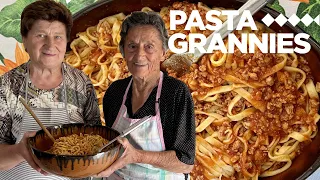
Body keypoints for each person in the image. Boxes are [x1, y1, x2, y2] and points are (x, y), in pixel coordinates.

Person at [0, 0, 101, 179]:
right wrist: (18, 151)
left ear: (66, 41)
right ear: (25, 39)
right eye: (40, 35)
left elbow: (95, 145)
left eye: (58, 36)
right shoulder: (7, 85)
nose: (50, 45)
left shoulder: (82, 83)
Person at [100, 11, 195, 180]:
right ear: (123, 51)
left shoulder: (175, 92)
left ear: (163, 53)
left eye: (149, 46)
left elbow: (185, 163)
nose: (139, 55)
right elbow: (111, 147)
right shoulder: (114, 92)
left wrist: (137, 156)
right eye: (132, 46)